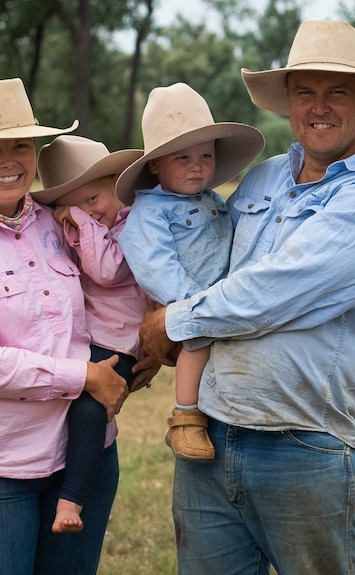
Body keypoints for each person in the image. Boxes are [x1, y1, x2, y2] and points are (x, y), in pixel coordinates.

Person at [137, 21, 355, 574]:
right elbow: (208, 260)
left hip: (304, 444)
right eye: (304, 91)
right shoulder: (262, 178)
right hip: (209, 435)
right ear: (288, 100)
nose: (319, 107)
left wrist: (174, 322)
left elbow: (271, 294)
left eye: (336, 91)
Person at [0, 78, 151, 575]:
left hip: (86, 456)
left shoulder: (57, 221)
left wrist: (139, 353)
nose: (9, 160)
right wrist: (88, 377)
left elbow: (106, 294)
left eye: (21, 145)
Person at [116, 82, 264, 462]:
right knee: (196, 343)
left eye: (205, 155)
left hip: (223, 293)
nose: (198, 166)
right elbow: (153, 262)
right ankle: (185, 416)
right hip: (192, 299)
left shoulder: (212, 199)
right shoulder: (150, 211)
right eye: (182, 158)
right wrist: (187, 302)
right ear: (155, 165)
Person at [33, 135, 154, 533]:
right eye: (76, 204)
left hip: (116, 343)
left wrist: (81, 219)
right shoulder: (80, 229)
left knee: (90, 410)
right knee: (72, 406)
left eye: (94, 199)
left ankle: (72, 500)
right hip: (93, 339)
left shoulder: (131, 225)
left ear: (119, 188)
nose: (90, 211)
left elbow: (108, 271)